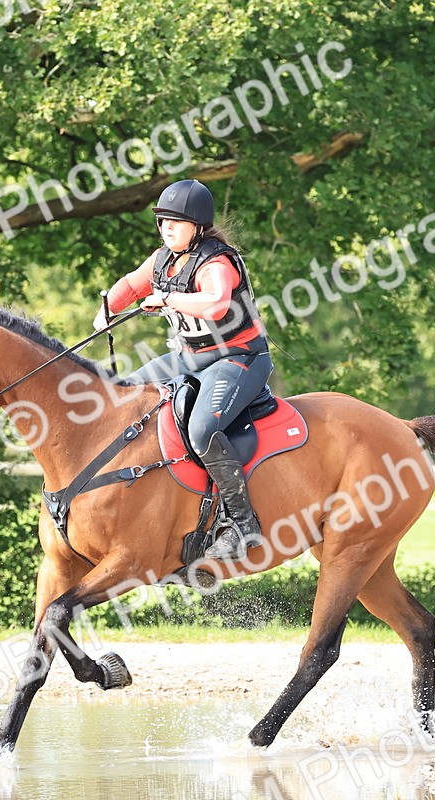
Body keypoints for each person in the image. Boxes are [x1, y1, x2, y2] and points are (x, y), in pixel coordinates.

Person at [93, 179, 274, 561]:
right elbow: (130, 285)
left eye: (176, 222)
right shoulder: (162, 259)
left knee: (202, 428)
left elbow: (216, 303)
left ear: (198, 226)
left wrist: (169, 298)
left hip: (238, 358)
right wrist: (108, 307)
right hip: (190, 357)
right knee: (123, 396)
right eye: (162, 221)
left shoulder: (216, 262)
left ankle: (243, 524)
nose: (166, 228)